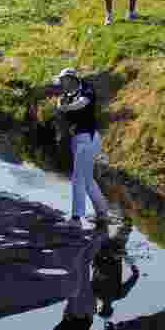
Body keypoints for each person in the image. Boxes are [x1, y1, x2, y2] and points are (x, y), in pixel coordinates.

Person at [52, 68, 110, 228]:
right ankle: (102, 212)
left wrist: (65, 107)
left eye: (64, 81)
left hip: (88, 138)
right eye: (61, 82)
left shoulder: (86, 88)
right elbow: (61, 109)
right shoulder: (66, 96)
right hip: (77, 139)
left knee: (78, 178)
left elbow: (83, 103)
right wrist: (61, 106)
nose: (62, 84)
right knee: (87, 178)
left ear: (72, 79)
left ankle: (76, 219)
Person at [45, 230, 107, 330]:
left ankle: (98, 238)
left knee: (82, 267)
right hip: (78, 309)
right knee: (80, 268)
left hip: (89, 309)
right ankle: (97, 236)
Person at [92, 219, 140, 320]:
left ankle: (126, 213)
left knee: (126, 224)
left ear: (111, 309)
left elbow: (135, 276)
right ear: (100, 307)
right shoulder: (95, 293)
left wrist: (129, 262)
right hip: (101, 252)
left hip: (116, 253)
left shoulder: (119, 295)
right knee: (101, 221)